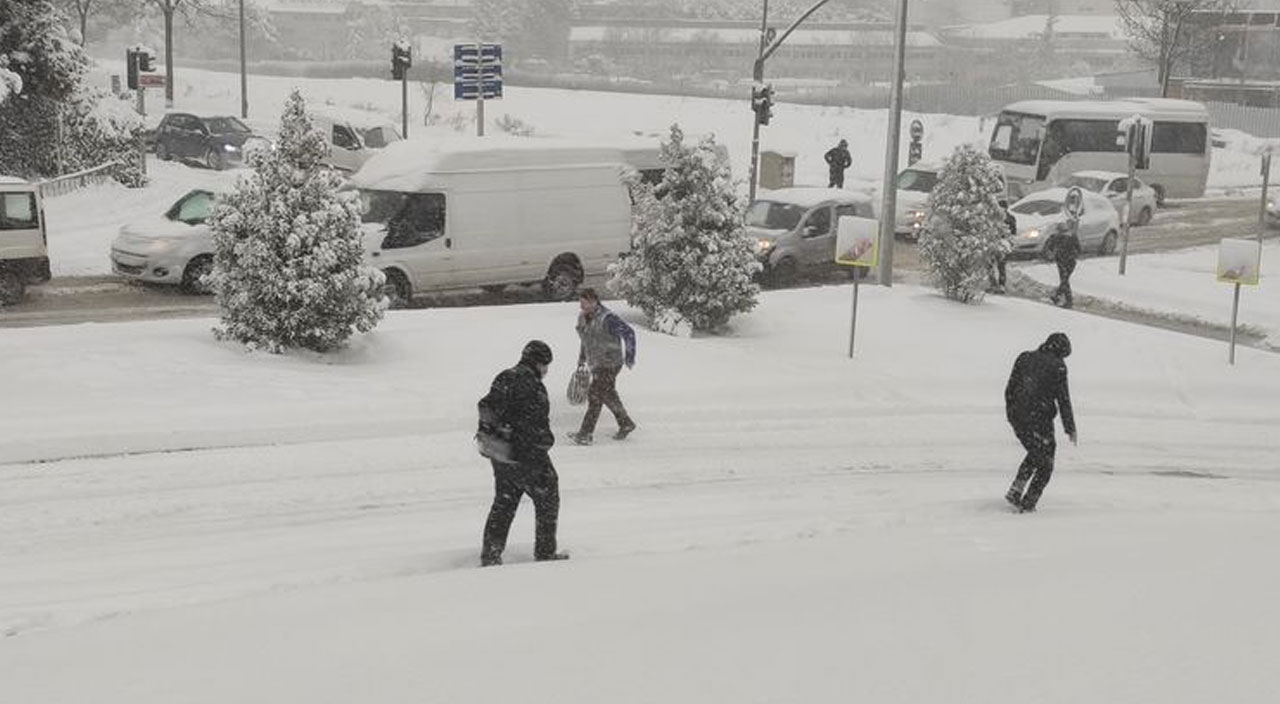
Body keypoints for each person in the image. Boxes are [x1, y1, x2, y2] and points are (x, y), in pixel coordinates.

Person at [478, 340, 568, 567]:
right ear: (539, 363)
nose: (546, 371)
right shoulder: (534, 387)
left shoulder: (504, 377)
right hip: (526, 456)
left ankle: (491, 554)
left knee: (504, 503)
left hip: (501, 454)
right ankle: (545, 552)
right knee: (548, 497)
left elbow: (487, 407)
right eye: (546, 365)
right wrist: (546, 442)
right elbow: (536, 427)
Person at [1003, 332, 1077, 513]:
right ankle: (1029, 503)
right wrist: (1070, 428)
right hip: (1040, 419)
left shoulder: (1024, 357)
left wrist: (1013, 411)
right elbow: (1063, 399)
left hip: (1018, 416)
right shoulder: (1058, 366)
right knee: (1046, 462)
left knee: (1035, 452)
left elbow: (1010, 388)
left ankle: (1016, 489)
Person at [568, 288, 637, 445]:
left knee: (595, 395)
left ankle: (585, 433)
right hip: (597, 363)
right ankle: (625, 423)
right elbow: (585, 340)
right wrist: (582, 359)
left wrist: (630, 356)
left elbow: (629, 333)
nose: (581, 307)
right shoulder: (583, 318)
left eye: (584, 303)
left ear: (594, 302)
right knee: (608, 394)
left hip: (611, 363)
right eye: (581, 303)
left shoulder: (608, 319)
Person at [1045, 220, 1080, 309]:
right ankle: (1058, 296)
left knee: (1064, 280)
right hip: (1071, 261)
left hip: (1062, 261)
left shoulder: (1056, 237)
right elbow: (1079, 249)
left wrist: (1052, 254)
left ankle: (1068, 301)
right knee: (1065, 280)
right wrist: (1073, 254)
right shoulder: (1073, 236)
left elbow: (1049, 247)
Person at [988, 199, 1016, 294]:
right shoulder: (1011, 218)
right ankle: (1001, 285)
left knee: (990, 265)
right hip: (1004, 245)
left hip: (995, 244)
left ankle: (994, 285)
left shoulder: (994, 218)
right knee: (1001, 266)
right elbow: (1013, 233)